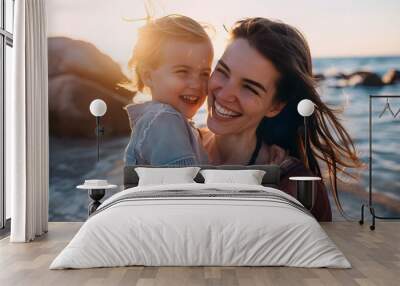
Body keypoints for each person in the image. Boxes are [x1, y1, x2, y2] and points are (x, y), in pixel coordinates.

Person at [202, 18, 363, 221]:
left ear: (275, 106)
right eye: (223, 71)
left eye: (249, 87)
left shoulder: (293, 187)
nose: (224, 94)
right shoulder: (178, 141)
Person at [124, 14, 213, 166]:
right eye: (183, 71)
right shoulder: (164, 120)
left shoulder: (165, 120)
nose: (197, 84)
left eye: (204, 74)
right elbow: (182, 186)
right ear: (148, 76)